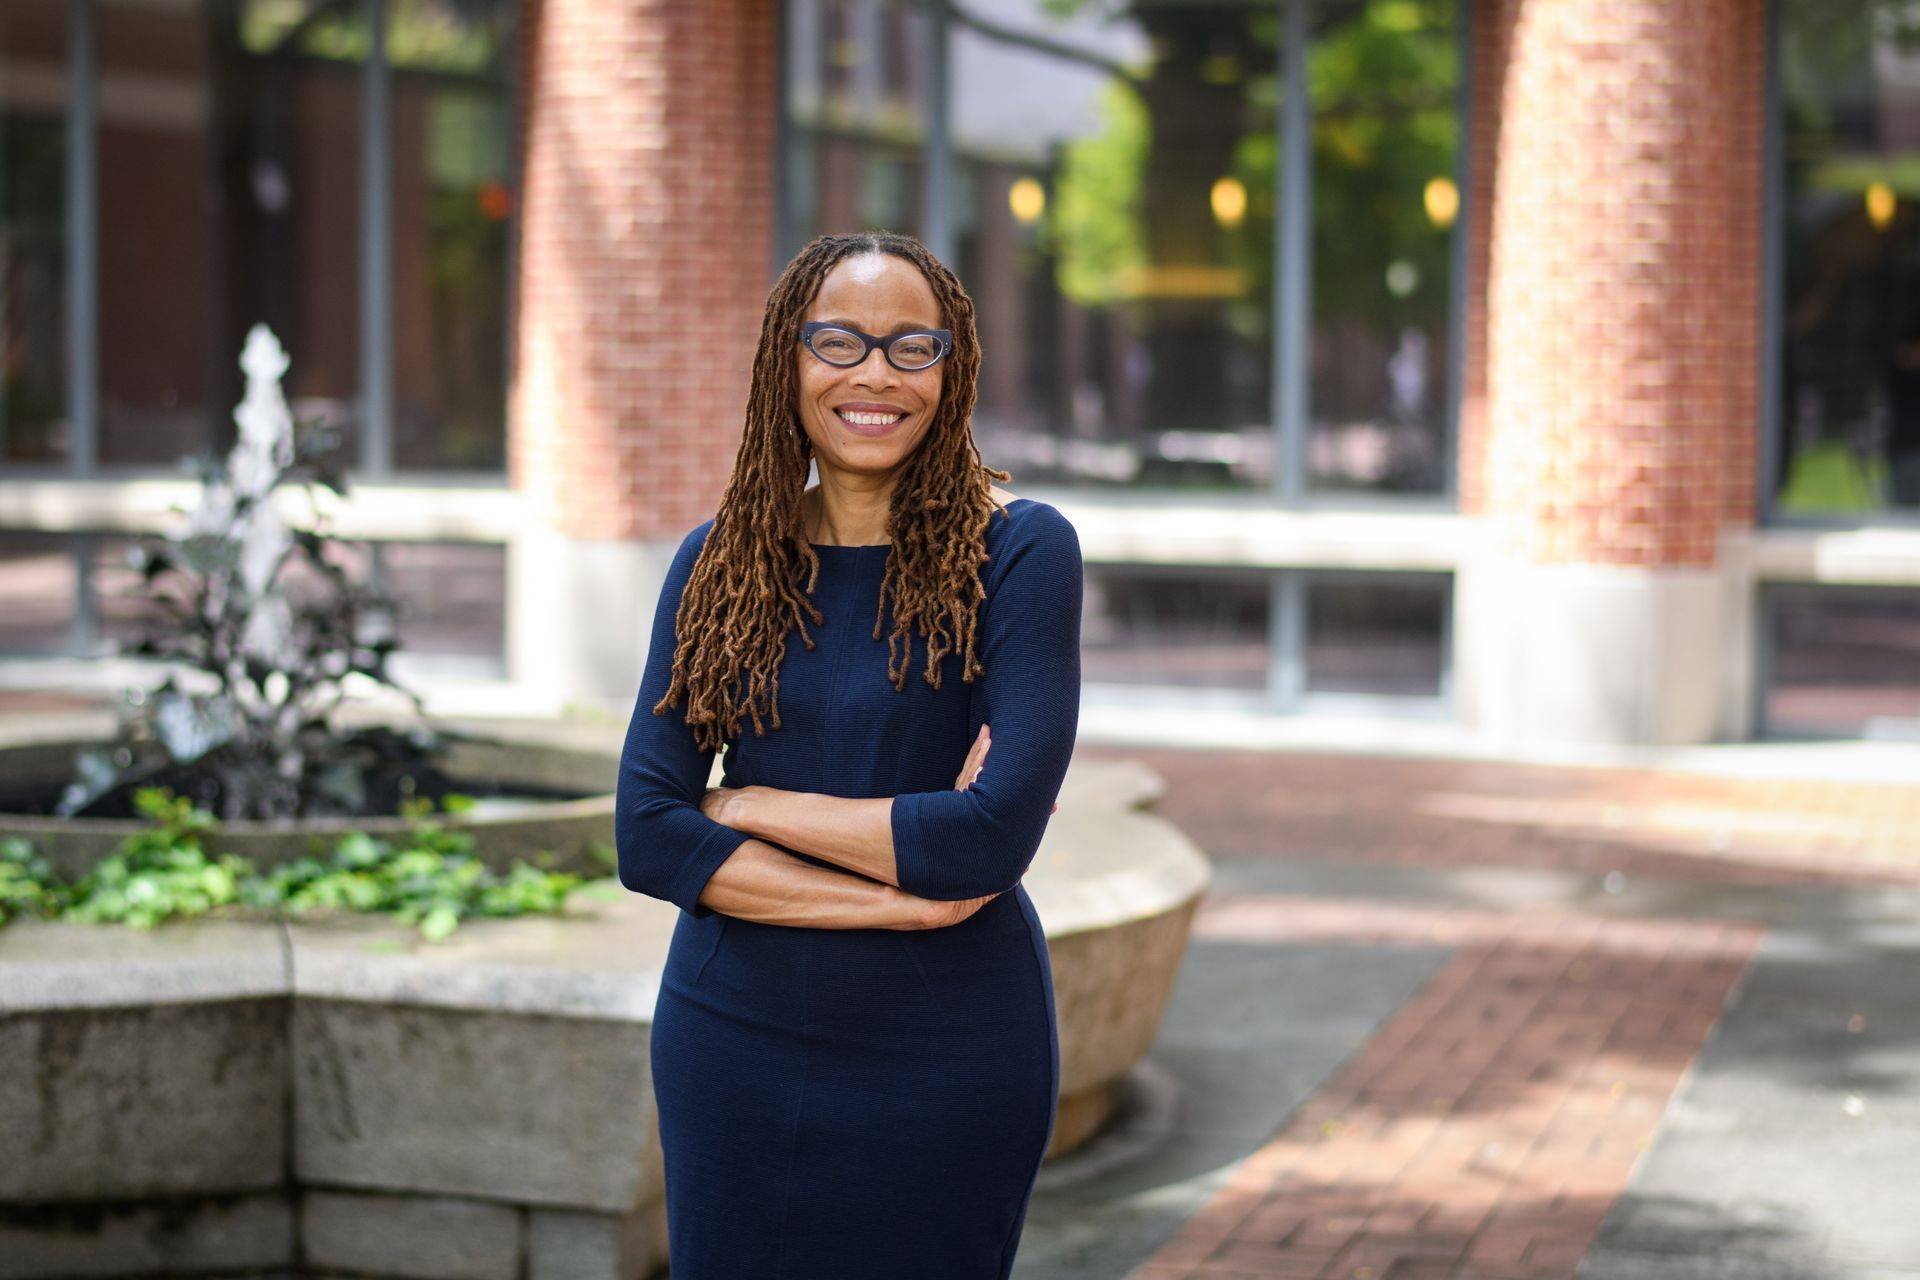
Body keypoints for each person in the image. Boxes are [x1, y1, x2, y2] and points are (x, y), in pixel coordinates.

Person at [614, 230, 1084, 1278]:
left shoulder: (1023, 554)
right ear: (789, 359)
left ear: (951, 371)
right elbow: (646, 835)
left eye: (913, 346)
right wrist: (903, 895)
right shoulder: (717, 562)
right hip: (730, 1038)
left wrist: (744, 805)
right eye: (840, 341)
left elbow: (986, 837)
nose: (876, 373)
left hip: (947, 1049)